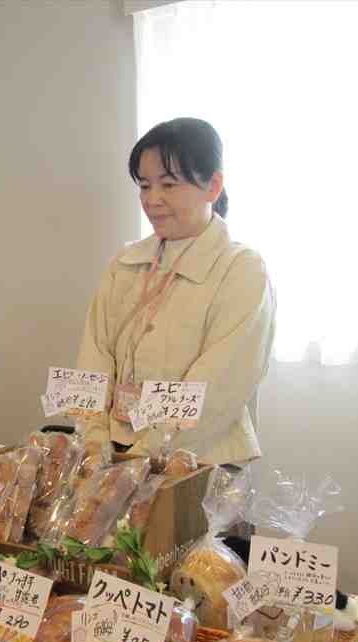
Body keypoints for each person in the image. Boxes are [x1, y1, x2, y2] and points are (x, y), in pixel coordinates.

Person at [77, 118, 275, 465]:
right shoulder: (124, 264)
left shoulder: (241, 270)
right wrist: (94, 444)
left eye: (168, 184)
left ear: (213, 186)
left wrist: (142, 459)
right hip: (113, 452)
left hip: (199, 460)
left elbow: (217, 387)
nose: (152, 199)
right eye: (144, 185)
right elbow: (94, 356)